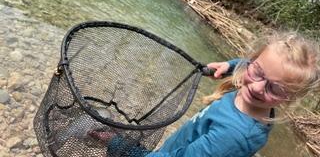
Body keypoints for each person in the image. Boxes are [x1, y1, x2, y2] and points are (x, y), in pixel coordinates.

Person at [90, 32, 320, 157]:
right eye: (257, 72)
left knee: (118, 144)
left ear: (289, 98)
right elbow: (250, 66)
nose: (258, 87)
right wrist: (229, 66)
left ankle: (112, 141)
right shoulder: (256, 84)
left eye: (275, 89)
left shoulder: (234, 135)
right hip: (175, 150)